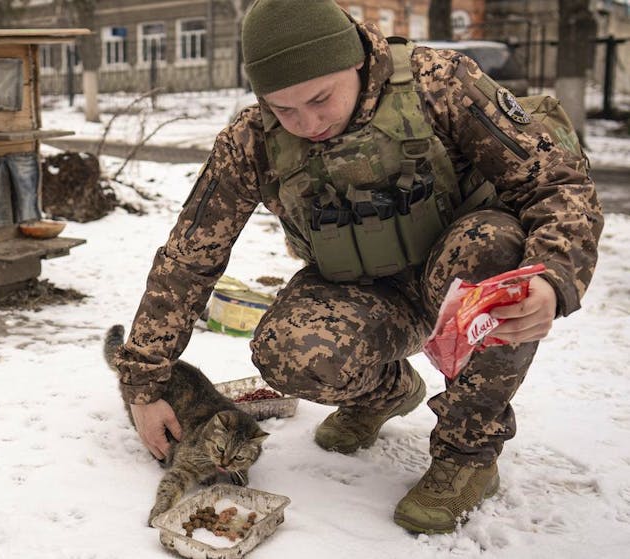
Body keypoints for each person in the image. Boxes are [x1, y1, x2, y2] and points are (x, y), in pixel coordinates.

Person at [112, 0, 604, 535]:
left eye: (320, 98)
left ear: (354, 60)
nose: (308, 122)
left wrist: (552, 275)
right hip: (363, 292)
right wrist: (145, 384)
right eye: (284, 109)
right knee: (287, 351)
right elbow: (188, 259)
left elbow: (556, 183)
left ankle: (469, 453)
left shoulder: (440, 84)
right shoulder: (252, 141)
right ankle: (388, 391)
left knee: (493, 244)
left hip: (461, 286)